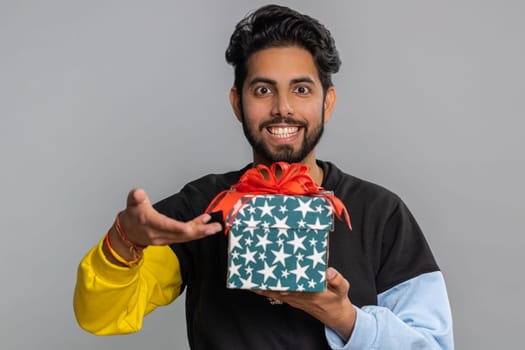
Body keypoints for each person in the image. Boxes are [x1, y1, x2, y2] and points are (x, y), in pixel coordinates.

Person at [74, 4, 453, 349]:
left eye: (301, 89)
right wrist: (124, 242)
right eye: (262, 90)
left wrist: (343, 318)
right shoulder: (201, 210)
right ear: (238, 103)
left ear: (328, 102)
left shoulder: (380, 213)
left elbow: (434, 345)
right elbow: (101, 316)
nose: (282, 108)